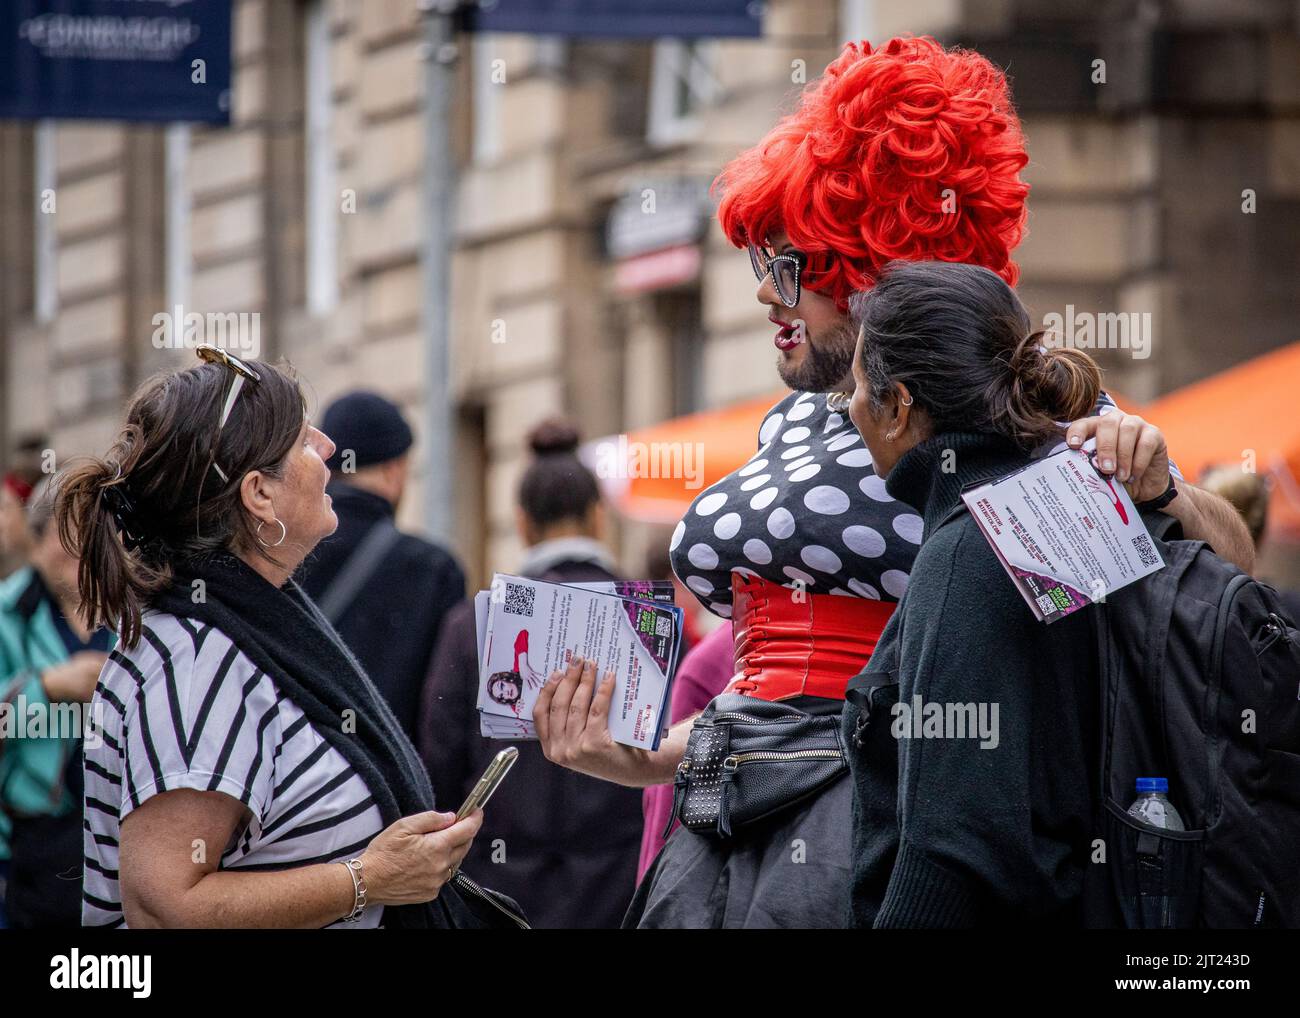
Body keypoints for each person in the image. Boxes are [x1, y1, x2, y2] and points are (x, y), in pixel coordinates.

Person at [534, 36, 1253, 929]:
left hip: (877, 832)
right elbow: (772, 694)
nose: (766, 295)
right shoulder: (797, 418)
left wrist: (1163, 489)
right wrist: (640, 760)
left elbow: (1220, 577)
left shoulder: (1015, 413)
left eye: (788, 266)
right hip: (725, 829)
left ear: (870, 267)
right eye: (763, 264)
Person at [59, 345, 503, 929]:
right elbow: (165, 909)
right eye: (302, 440)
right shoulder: (197, 662)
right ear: (259, 494)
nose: (328, 448)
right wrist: (368, 879)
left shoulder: (237, 623)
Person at [841, 259, 1112, 926]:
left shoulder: (966, 553)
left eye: (854, 388)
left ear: (898, 405)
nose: (849, 408)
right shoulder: (1065, 514)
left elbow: (951, 846)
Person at [419, 419, 644, 929]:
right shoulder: (648, 621)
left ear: (522, 523)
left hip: (500, 891)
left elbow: (440, 760)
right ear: (598, 516)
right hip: (622, 888)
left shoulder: (473, 625)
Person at [296, 390, 465, 744]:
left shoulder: (284, 548)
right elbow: (446, 708)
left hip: (293, 769)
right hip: (390, 772)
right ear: (395, 470)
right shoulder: (434, 569)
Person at [0, 477, 110, 927]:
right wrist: (47, 688)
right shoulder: (8, 614)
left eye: (93, 535)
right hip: (32, 842)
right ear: (39, 537)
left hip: (115, 836)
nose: (81, 549)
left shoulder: (132, 612)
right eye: (67, 535)